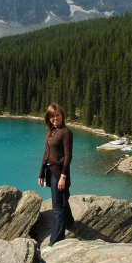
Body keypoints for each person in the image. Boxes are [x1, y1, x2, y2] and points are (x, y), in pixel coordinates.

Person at [39, 103, 75, 246]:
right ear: (49, 118)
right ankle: (70, 222)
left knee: (57, 208)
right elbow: (46, 153)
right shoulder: (51, 132)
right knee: (61, 200)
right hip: (50, 170)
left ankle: (55, 242)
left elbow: (68, 156)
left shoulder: (66, 132)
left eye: (57, 115)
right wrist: (41, 173)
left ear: (62, 116)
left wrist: (63, 177)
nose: (55, 118)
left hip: (59, 172)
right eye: (52, 116)